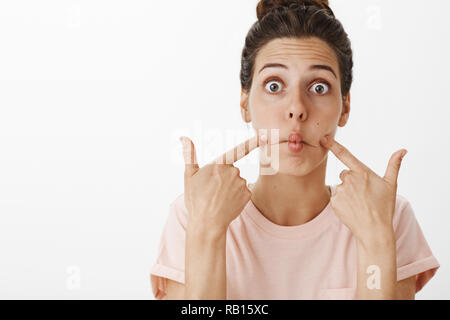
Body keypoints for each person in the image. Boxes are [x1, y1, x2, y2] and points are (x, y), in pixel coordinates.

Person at [150, 0, 440, 299]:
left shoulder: (387, 215)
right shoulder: (194, 213)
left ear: (345, 107)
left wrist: (376, 238)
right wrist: (206, 232)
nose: (297, 109)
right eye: (274, 86)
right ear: (244, 104)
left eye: (318, 87)